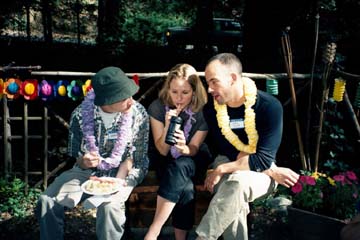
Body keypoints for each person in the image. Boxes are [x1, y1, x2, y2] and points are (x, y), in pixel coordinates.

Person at [35, 66, 149, 240]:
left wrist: (117, 183)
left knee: (110, 208)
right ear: (108, 100)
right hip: (86, 172)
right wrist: (84, 161)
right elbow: (76, 156)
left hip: (124, 170)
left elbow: (135, 157)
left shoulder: (138, 113)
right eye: (125, 97)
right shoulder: (80, 115)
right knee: (47, 201)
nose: (131, 101)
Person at [195, 53, 300, 240]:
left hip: (255, 168)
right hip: (256, 166)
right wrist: (269, 169)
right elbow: (230, 151)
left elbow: (264, 158)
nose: (209, 89)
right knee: (234, 196)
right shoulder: (211, 110)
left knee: (237, 184)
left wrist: (222, 169)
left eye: (214, 82)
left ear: (233, 78)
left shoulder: (269, 107)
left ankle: (203, 237)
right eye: (207, 82)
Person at [144, 63, 211, 240]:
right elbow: (162, 150)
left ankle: (153, 231)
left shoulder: (203, 112)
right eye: (174, 92)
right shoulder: (157, 107)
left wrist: (185, 148)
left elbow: (195, 148)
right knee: (186, 189)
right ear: (168, 89)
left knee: (182, 164)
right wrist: (167, 126)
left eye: (185, 92)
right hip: (165, 160)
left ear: (195, 92)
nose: (179, 98)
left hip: (193, 160)